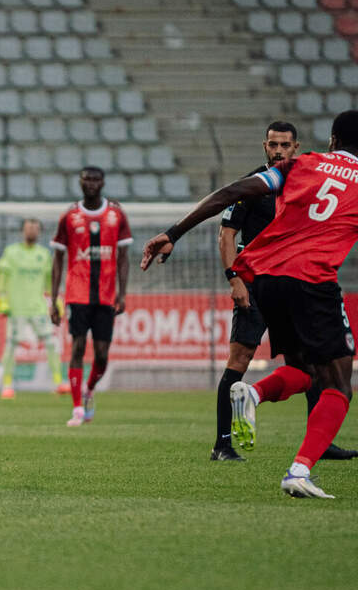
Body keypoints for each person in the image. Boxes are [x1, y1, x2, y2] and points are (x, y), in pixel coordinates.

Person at [141, 109, 358, 499]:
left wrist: (174, 232)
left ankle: (253, 393)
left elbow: (232, 192)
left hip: (267, 280)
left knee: (307, 372)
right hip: (312, 282)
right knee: (341, 384)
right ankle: (299, 470)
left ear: (333, 141)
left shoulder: (301, 165)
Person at [212, 122, 357, 462]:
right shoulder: (255, 184)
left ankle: (319, 443)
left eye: (285, 145)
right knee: (241, 358)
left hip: (291, 278)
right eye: (273, 145)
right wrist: (234, 280)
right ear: (265, 146)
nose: (278, 151)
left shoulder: (307, 178)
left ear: (296, 147)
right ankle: (222, 444)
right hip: (255, 282)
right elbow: (226, 233)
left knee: (311, 361)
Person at [50, 166, 131, 427]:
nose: (91, 184)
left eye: (96, 180)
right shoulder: (70, 216)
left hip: (106, 295)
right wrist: (54, 300)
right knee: (76, 347)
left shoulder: (116, 214)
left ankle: (89, 389)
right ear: (80, 182)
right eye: (87, 179)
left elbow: (123, 257)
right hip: (77, 293)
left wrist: (122, 292)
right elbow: (58, 259)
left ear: (103, 182)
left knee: (102, 355)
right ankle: (76, 408)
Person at [0, 218, 68, 399]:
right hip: (16, 308)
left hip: (37, 308)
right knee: (11, 346)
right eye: (29, 228)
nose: (32, 231)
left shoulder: (44, 254)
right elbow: (2, 278)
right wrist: (2, 300)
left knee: (52, 343)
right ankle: (7, 386)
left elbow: (50, 282)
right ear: (22, 231)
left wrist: (56, 301)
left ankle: (59, 382)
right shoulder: (11, 252)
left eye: (36, 228)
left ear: (40, 232)